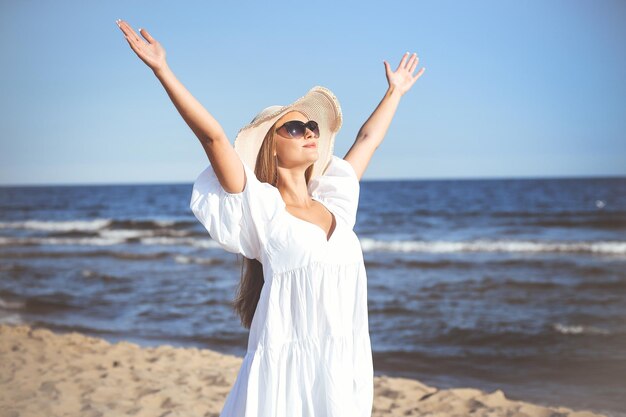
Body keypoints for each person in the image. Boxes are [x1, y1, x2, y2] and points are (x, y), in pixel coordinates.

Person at [115, 18, 425, 417]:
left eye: (312, 126)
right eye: (295, 128)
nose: (310, 131)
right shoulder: (261, 207)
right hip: (286, 370)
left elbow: (367, 140)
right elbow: (213, 138)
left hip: (345, 362)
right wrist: (162, 69)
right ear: (271, 147)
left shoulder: (336, 202)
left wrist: (395, 92)